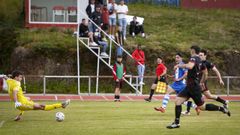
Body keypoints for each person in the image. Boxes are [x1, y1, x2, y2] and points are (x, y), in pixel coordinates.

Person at [166, 46, 230, 129]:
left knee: (202, 107)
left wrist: (179, 65)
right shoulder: (200, 60)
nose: (190, 52)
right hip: (190, 86)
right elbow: (205, 73)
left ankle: (221, 108)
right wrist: (201, 82)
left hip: (193, 87)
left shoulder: (194, 58)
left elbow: (190, 66)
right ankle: (176, 123)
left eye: (190, 50)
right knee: (178, 101)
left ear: (193, 51)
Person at [5, 70, 70, 121]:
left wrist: (3, 76)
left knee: (29, 98)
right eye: (20, 77)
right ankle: (62, 105)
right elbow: (14, 91)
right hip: (22, 103)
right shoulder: (17, 83)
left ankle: (19, 115)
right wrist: (16, 102)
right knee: (42, 106)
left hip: (22, 102)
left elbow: (6, 78)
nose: (21, 78)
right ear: (16, 77)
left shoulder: (9, 81)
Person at [182, 49, 228, 115]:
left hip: (200, 84)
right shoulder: (196, 61)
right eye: (199, 55)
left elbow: (216, 71)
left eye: (201, 55)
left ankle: (189, 111)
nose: (199, 56)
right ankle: (224, 102)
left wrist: (220, 79)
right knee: (208, 96)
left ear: (205, 56)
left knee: (190, 97)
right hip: (195, 83)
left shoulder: (207, 63)